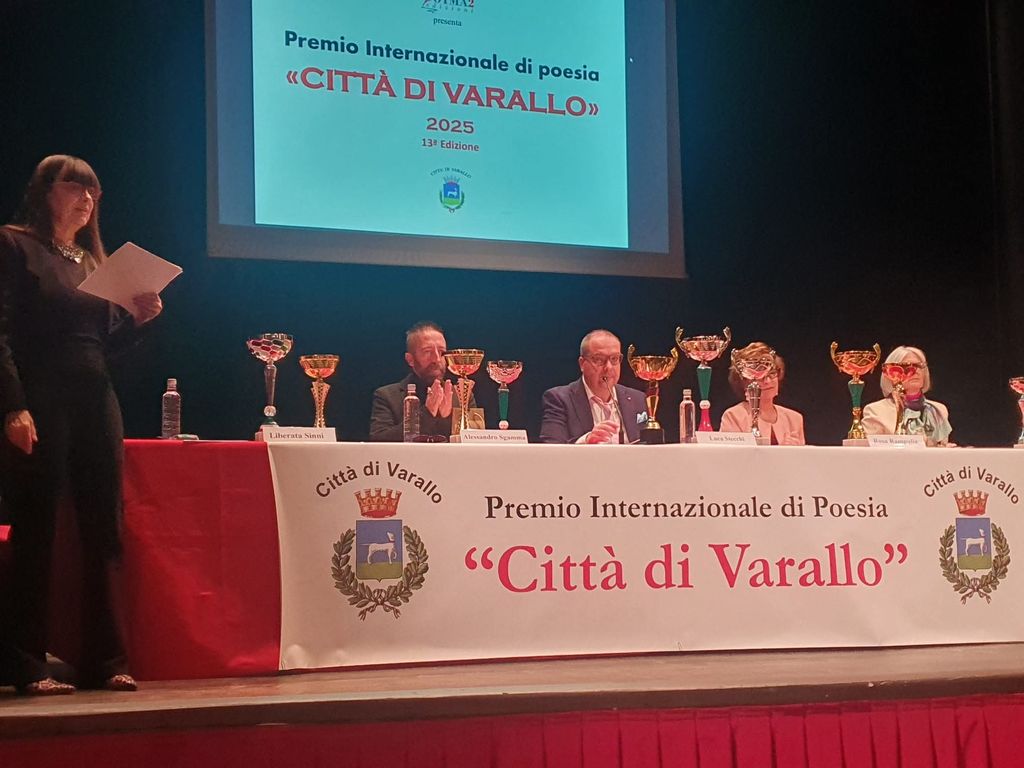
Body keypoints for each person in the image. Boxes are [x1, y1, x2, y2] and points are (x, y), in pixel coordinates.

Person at [0, 155, 163, 695]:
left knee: (104, 527)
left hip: (96, 400)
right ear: (45, 192)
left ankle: (106, 659)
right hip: (39, 399)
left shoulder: (95, 264)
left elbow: (105, 347)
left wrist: (138, 322)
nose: (86, 200)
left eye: (93, 192)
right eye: (75, 188)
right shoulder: (14, 245)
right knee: (38, 528)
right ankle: (26, 664)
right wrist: (13, 406)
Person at [369, 321, 474, 441]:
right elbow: (378, 440)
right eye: (427, 352)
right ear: (410, 359)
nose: (437, 359)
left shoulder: (462, 395)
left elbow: (474, 442)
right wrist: (427, 414)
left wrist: (446, 418)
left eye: (442, 352)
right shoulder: (387, 396)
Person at [539, 329, 646, 444]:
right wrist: (586, 441)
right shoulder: (560, 399)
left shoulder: (638, 399)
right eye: (599, 359)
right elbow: (552, 446)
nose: (609, 367)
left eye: (614, 359)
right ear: (582, 364)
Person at [862, 345, 951, 445]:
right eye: (907, 366)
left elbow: (940, 448)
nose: (916, 371)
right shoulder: (875, 411)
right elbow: (872, 452)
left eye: (919, 366)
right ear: (891, 373)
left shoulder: (939, 410)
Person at [720, 342, 805, 445]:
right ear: (743, 382)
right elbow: (732, 454)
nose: (768, 381)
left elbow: (804, 455)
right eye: (760, 376)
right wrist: (782, 451)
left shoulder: (795, 419)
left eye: (772, 373)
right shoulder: (734, 416)